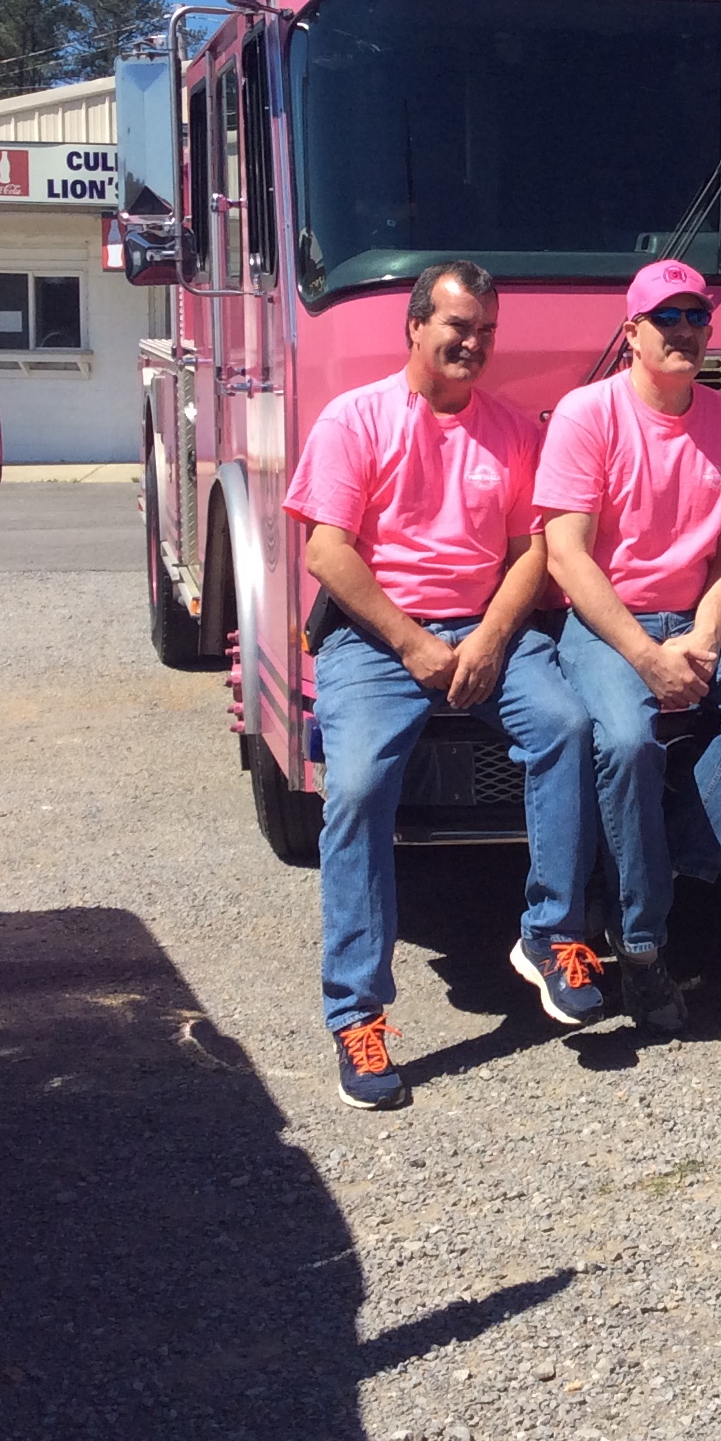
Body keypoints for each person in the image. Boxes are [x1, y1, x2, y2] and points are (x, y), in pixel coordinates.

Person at [285, 260, 606, 1112]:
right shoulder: (354, 421)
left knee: (569, 730)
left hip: (486, 633)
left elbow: (531, 552)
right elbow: (327, 553)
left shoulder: (512, 430)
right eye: (458, 328)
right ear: (416, 328)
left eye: (487, 332)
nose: (473, 344)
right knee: (353, 789)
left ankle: (551, 934)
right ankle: (357, 1014)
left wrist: (495, 640)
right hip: (374, 640)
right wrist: (415, 644)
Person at [539, 258, 721, 1033]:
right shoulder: (587, 414)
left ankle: (675, 848)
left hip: (696, 616)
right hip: (604, 621)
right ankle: (643, 953)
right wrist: (646, 657)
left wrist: (708, 642)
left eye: (695, 318)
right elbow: (566, 556)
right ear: (631, 334)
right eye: (666, 319)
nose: (683, 331)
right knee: (624, 742)